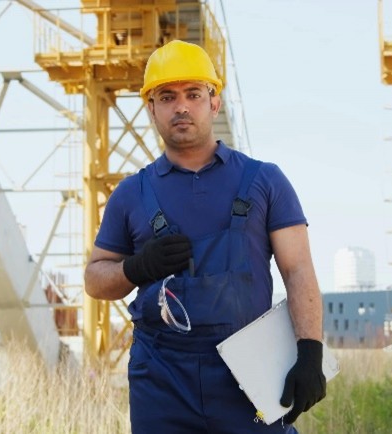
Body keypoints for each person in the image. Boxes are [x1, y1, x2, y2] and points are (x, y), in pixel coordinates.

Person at [84, 39, 326, 433]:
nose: (181, 106)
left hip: (249, 372)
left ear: (214, 103)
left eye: (193, 94)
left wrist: (310, 351)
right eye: (167, 96)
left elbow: (298, 270)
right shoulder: (131, 194)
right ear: (152, 109)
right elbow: (95, 279)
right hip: (161, 379)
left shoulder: (265, 181)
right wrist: (136, 267)